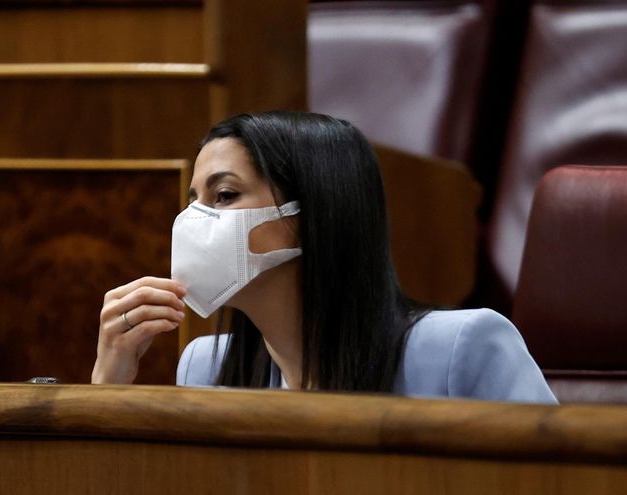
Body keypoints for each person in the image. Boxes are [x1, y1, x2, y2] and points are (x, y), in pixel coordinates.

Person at [92, 111, 557, 404]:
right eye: (194, 199)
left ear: (312, 215)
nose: (193, 220)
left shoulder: (463, 347)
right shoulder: (206, 366)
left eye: (225, 195)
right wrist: (108, 386)